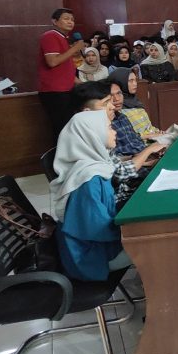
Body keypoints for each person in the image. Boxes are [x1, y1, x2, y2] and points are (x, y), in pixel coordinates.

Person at [49, 111, 149, 281]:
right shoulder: (88, 180)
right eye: (109, 128)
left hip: (100, 245)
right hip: (91, 258)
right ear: (93, 135)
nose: (115, 132)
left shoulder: (98, 165)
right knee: (159, 239)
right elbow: (98, 229)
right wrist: (137, 228)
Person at [38, 8, 88, 136]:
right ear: (54, 21)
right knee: (62, 130)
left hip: (66, 90)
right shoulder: (50, 36)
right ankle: (60, 150)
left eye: (72, 19)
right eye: (66, 19)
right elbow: (52, 62)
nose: (70, 22)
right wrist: (75, 48)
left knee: (69, 129)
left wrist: (83, 84)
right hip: (55, 92)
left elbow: (65, 71)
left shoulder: (65, 38)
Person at [107, 68, 158, 137]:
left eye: (135, 80)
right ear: (120, 82)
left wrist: (159, 133)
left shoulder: (135, 101)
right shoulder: (116, 107)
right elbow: (128, 137)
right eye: (131, 81)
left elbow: (148, 127)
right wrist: (152, 136)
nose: (135, 84)